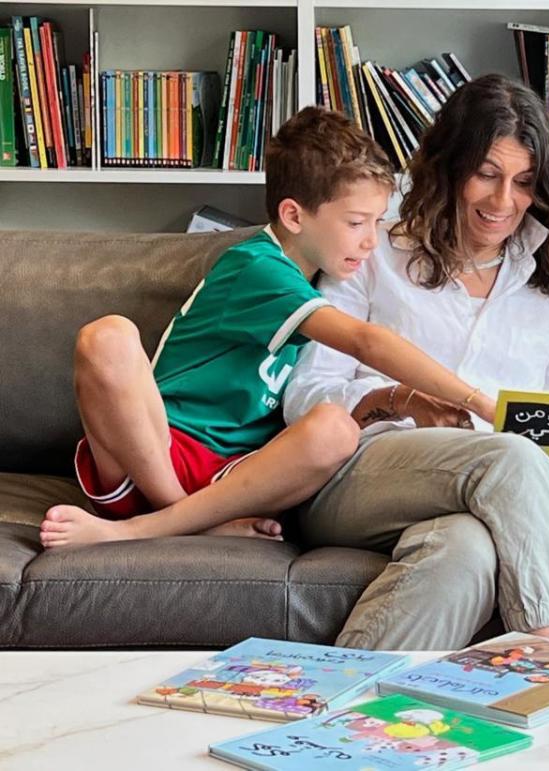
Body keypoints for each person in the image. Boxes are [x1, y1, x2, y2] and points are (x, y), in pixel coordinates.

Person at [39, 108, 495, 549]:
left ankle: (182, 519)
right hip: (155, 454)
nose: (372, 241)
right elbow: (366, 342)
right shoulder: (257, 267)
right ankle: (167, 521)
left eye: (376, 222)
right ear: (295, 216)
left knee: (336, 429)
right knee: (108, 336)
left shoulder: (324, 280)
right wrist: (479, 402)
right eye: (356, 223)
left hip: (236, 479)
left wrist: (407, 401)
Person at [283, 74, 549, 650]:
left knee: (466, 549)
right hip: (359, 477)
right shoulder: (373, 250)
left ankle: (338, 712)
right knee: (509, 455)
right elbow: (306, 395)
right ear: (449, 165)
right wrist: (397, 402)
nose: (503, 201)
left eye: (525, 182)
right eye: (486, 174)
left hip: (495, 497)